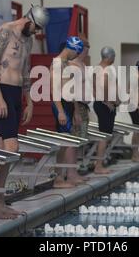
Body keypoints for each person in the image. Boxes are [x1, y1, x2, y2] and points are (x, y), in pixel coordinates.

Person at [0, 5, 49, 218]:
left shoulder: (28, 40)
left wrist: (29, 101)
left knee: (4, 148)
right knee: (12, 148)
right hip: (2, 90)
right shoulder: (5, 30)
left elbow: (25, 70)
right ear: (29, 19)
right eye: (37, 27)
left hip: (16, 95)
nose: (37, 32)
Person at [51, 36, 85, 187]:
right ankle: (58, 179)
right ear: (71, 49)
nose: (76, 57)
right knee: (63, 142)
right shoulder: (57, 63)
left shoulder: (67, 64)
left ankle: (64, 176)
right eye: (76, 53)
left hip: (69, 104)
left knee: (66, 142)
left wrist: (76, 111)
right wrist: (60, 111)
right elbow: (55, 89)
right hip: (61, 104)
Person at [93, 46, 117, 174]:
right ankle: (98, 166)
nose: (114, 59)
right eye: (114, 57)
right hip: (104, 105)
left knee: (105, 136)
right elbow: (104, 85)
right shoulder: (105, 70)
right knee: (104, 136)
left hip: (100, 103)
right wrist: (107, 101)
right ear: (109, 57)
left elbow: (94, 88)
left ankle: (99, 163)